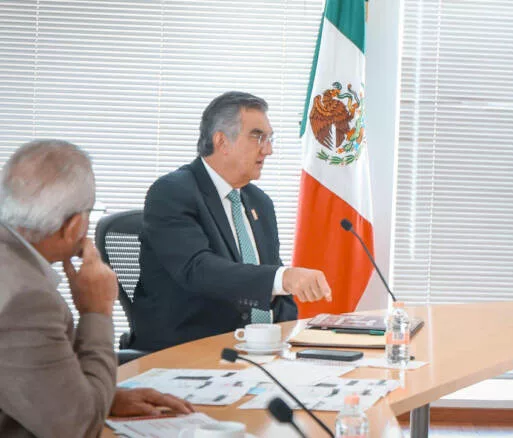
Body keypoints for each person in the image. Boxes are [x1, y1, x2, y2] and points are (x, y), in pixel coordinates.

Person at [0, 140, 193, 438]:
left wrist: (106, 398)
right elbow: (79, 427)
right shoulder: (26, 298)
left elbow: (23, 380)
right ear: (74, 225)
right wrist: (97, 311)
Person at [131, 91, 332, 351]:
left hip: (261, 350)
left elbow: (277, 290)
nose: (268, 150)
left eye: (270, 138)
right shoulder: (172, 192)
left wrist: (290, 340)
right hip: (190, 349)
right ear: (222, 141)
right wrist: (284, 278)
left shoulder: (260, 202)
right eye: (258, 137)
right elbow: (198, 269)